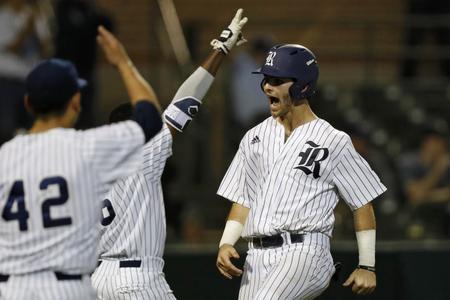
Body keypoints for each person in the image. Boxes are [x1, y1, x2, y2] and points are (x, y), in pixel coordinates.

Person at [91, 9, 248, 300]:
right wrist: (221, 47)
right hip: (136, 279)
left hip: (99, 280)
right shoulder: (141, 156)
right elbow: (185, 101)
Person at [0, 26, 162, 300]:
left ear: (28, 103)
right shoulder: (89, 147)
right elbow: (149, 118)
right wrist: (123, 63)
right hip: (66, 288)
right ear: (76, 101)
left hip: (11, 288)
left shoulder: (4, 156)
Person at [216, 44, 387, 299]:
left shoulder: (332, 140)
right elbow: (242, 199)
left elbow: (362, 202)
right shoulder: (255, 136)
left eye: (277, 80)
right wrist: (226, 242)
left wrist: (367, 265)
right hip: (256, 256)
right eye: (266, 79)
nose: (267, 87)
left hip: (305, 252)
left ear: (302, 86)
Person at [0, 0, 53, 144]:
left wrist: (35, 27)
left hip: (31, 80)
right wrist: (27, 29)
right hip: (7, 82)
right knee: (7, 127)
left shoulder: (33, 14)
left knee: (34, 125)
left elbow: (46, 48)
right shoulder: (3, 16)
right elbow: (12, 47)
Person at [399, 128, 450, 238]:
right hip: (415, 216)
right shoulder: (408, 162)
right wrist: (438, 170)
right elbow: (415, 196)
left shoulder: (447, 163)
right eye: (433, 141)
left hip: (442, 217)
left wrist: (427, 195)